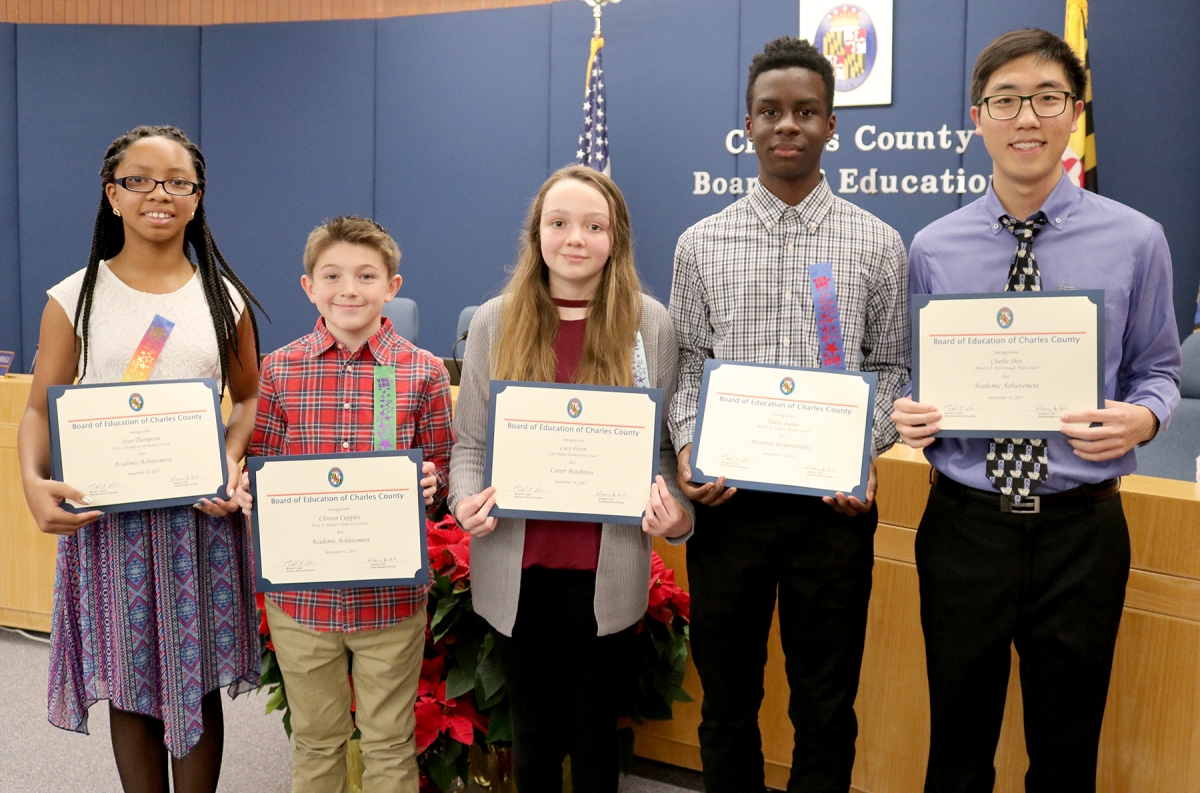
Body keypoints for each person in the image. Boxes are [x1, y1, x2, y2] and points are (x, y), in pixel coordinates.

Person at [890, 29, 1181, 793]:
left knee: (1066, 750)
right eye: (1006, 100)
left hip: (1081, 531)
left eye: (1047, 98)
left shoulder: (1137, 241)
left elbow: (1159, 372)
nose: (1027, 117)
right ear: (977, 118)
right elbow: (914, 379)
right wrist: (908, 414)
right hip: (963, 526)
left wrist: (1142, 420)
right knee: (956, 746)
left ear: (1073, 113)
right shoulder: (934, 247)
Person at [668, 36, 910, 793]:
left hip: (832, 514)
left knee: (826, 708)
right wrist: (686, 449)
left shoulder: (878, 242)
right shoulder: (699, 244)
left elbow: (893, 369)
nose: (788, 125)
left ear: (832, 125)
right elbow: (685, 370)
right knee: (728, 707)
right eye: (771, 111)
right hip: (728, 507)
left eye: (806, 111)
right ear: (748, 125)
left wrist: (857, 451)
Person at [17, 125, 263, 793]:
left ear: (197, 197)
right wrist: (35, 485)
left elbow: (247, 399)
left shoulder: (224, 298)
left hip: (198, 522)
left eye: (178, 181)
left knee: (198, 676)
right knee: (129, 683)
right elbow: (39, 408)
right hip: (109, 524)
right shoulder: (74, 299)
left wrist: (230, 458)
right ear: (113, 194)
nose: (160, 193)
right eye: (140, 180)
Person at [449, 165, 693, 793]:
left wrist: (676, 516)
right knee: (531, 737)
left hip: (606, 571)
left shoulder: (651, 325)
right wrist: (465, 501)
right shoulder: (495, 322)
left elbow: (662, 453)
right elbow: (471, 445)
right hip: (517, 564)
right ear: (537, 233)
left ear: (617, 239)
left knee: (594, 740)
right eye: (558, 223)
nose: (575, 238)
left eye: (593, 225)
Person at [234, 215, 452, 793]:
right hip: (303, 603)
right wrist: (250, 493)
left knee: (389, 745)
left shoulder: (424, 372)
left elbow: (446, 472)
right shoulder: (280, 369)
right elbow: (264, 466)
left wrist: (434, 487)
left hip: (391, 602)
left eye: (365, 275)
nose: (349, 289)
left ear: (392, 286)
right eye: (331, 276)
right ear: (309, 286)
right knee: (315, 742)